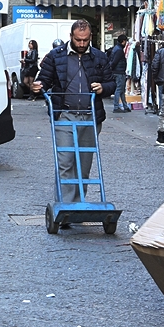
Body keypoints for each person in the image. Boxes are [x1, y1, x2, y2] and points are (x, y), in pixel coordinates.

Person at [31, 19, 116, 205]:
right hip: (65, 115)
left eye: (85, 40)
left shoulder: (99, 57)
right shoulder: (55, 56)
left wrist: (103, 88)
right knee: (66, 161)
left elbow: (111, 83)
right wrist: (38, 86)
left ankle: (79, 205)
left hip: (91, 116)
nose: (82, 44)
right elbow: (43, 78)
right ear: (71, 37)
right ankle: (65, 206)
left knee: (84, 165)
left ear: (90, 38)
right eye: (78, 40)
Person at [110, 34, 131, 113]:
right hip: (119, 72)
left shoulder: (116, 48)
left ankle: (125, 106)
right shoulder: (119, 50)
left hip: (118, 72)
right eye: (125, 41)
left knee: (121, 90)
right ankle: (116, 107)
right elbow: (115, 61)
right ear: (123, 41)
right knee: (119, 89)